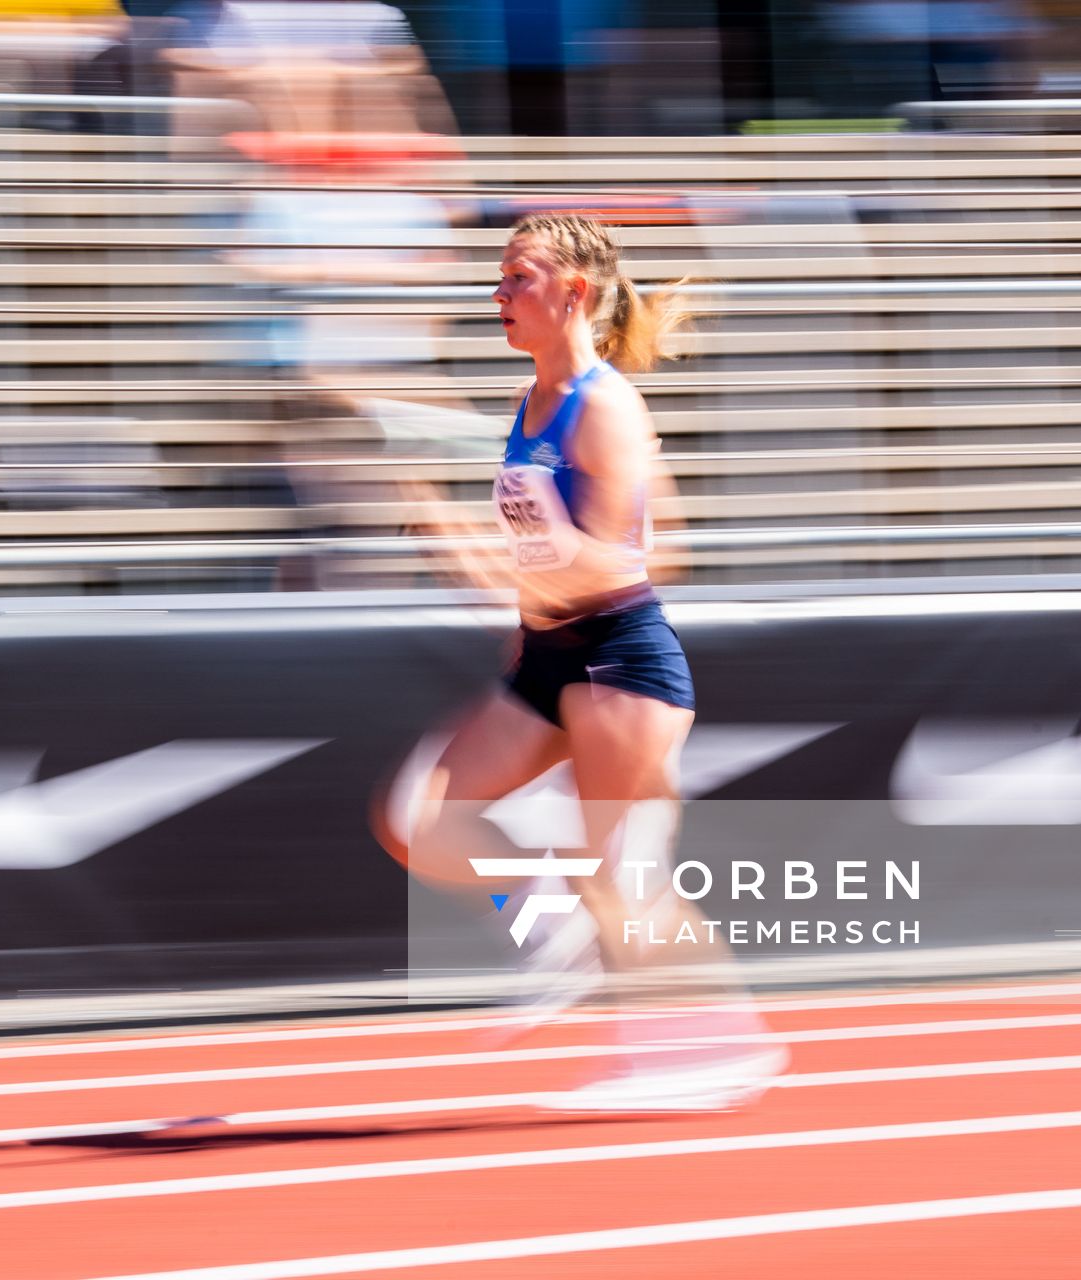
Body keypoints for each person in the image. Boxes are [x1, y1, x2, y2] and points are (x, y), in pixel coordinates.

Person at [375, 212, 785, 1111]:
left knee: (620, 873)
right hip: (547, 658)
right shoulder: (530, 405)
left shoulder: (606, 407)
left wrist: (517, 567)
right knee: (418, 819)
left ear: (574, 292)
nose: (499, 294)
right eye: (500, 277)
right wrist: (460, 551)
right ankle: (547, 922)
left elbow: (620, 560)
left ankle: (719, 1049)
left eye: (517, 276)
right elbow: (533, 565)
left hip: (619, 658)